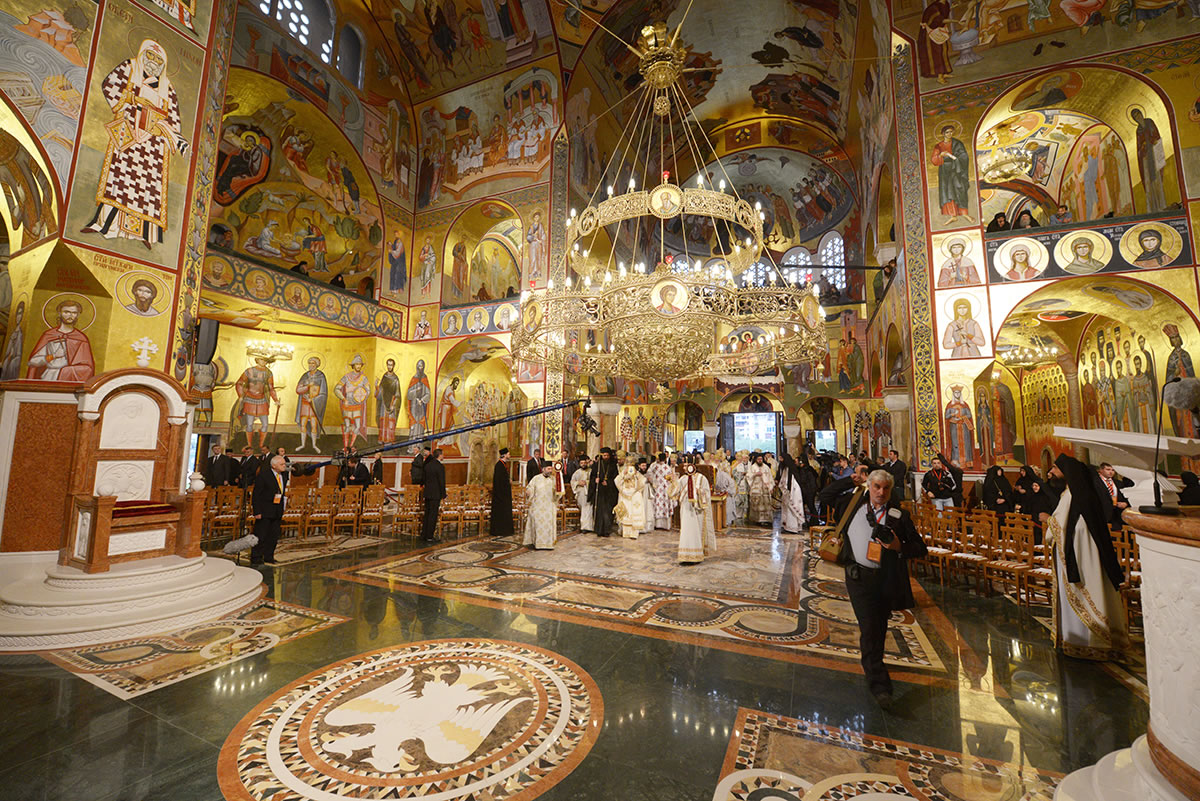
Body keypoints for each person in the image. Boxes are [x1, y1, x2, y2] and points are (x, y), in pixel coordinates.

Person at [834, 469, 927, 709]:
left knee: (878, 627)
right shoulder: (852, 506)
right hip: (858, 578)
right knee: (870, 627)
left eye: (886, 488)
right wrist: (849, 480)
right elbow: (825, 496)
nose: (881, 492)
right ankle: (880, 686)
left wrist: (898, 546)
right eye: (876, 486)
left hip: (884, 579)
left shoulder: (898, 516)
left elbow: (920, 548)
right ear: (869, 486)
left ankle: (874, 666)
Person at [1046, 454, 1129, 660]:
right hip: (1081, 552)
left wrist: (1047, 521)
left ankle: (1086, 640)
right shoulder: (1080, 492)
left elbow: (1060, 526)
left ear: (1066, 472)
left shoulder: (1072, 495)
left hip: (1080, 555)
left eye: (1055, 468)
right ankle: (1090, 638)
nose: (1051, 472)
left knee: (1084, 592)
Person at [672, 458, 717, 563]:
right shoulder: (683, 478)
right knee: (686, 531)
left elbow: (707, 494)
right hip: (685, 509)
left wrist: (698, 492)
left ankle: (697, 554)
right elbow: (674, 492)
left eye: (686, 465)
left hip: (697, 509)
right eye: (684, 466)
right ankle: (685, 554)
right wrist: (673, 482)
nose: (685, 468)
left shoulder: (701, 478)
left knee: (697, 531)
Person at [250, 454, 289, 566]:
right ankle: (256, 557)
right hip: (264, 510)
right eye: (282, 464)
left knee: (273, 535)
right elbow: (256, 494)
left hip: (277, 510)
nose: (284, 466)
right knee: (261, 535)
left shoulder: (283, 476)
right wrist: (257, 511)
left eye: (284, 464)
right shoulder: (263, 475)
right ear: (274, 466)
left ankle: (269, 556)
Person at [523, 463, 562, 549]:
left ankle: (548, 544)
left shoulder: (554, 479)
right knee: (537, 525)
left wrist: (558, 492)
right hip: (538, 506)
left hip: (549, 506)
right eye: (548, 469)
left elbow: (558, 493)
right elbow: (530, 487)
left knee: (548, 525)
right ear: (543, 469)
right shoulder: (536, 478)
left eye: (551, 469)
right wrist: (529, 492)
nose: (550, 471)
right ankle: (537, 543)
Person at [588, 447, 619, 537]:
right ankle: (599, 530)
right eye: (604, 455)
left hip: (609, 493)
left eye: (607, 455)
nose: (605, 457)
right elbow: (592, 477)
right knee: (599, 511)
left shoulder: (613, 466)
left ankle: (606, 530)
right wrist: (595, 480)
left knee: (607, 512)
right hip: (599, 492)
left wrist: (608, 483)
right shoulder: (597, 465)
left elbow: (616, 479)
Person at [614, 460, 649, 539]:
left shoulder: (637, 474)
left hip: (634, 496)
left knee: (634, 515)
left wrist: (636, 474)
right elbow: (616, 481)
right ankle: (626, 533)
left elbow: (643, 482)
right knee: (626, 515)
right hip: (625, 497)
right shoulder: (623, 473)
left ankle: (634, 533)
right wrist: (623, 474)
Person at [777, 453, 808, 534]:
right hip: (787, 492)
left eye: (781, 459)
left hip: (793, 491)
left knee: (791, 510)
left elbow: (792, 482)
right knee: (786, 509)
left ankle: (793, 528)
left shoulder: (791, 469)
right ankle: (786, 526)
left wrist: (789, 490)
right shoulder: (785, 468)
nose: (780, 460)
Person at [421, 448, 446, 543]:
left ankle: (424, 534)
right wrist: (443, 495)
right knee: (433, 515)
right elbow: (441, 482)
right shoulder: (440, 467)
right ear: (439, 455)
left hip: (427, 493)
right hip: (436, 494)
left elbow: (423, 479)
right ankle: (429, 536)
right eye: (442, 454)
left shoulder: (428, 465)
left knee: (427, 514)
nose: (443, 456)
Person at [647, 453, 676, 530]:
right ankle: (665, 525)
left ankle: (657, 524)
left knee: (657, 504)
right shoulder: (667, 468)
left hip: (657, 489)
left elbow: (649, 474)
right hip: (665, 489)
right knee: (664, 504)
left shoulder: (654, 466)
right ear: (665, 459)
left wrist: (653, 483)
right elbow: (671, 479)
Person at [1096, 462, 1131, 528]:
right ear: (1101, 470)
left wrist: (1125, 503)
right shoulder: (1094, 482)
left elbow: (1125, 496)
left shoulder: (1119, 483)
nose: (1111, 472)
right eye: (1108, 469)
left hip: (1118, 515)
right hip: (1102, 515)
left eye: (1113, 470)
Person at [491, 448, 513, 538]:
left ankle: (505, 530)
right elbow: (499, 481)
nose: (509, 455)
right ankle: (500, 530)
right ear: (504, 455)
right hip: (500, 495)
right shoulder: (499, 465)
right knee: (501, 513)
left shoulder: (503, 464)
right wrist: (508, 481)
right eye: (508, 454)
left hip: (504, 494)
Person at [746, 453, 774, 526]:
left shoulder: (766, 467)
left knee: (766, 504)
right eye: (758, 459)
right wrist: (755, 474)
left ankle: (767, 519)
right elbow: (748, 477)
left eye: (761, 459)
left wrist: (771, 487)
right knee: (756, 505)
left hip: (765, 489)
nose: (760, 460)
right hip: (756, 490)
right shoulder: (752, 467)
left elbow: (770, 477)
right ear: (756, 460)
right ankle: (757, 520)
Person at [571, 455, 594, 532]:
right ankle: (584, 526)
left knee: (589, 510)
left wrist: (586, 482)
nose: (583, 464)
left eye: (584, 463)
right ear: (579, 464)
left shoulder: (591, 471)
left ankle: (588, 527)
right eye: (581, 463)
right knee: (584, 510)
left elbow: (594, 481)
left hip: (590, 493)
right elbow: (572, 482)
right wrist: (578, 483)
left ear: (587, 463)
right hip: (581, 493)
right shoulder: (577, 472)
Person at [731, 451, 750, 524]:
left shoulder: (751, 465)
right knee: (739, 500)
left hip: (748, 484)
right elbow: (733, 473)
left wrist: (747, 474)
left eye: (746, 458)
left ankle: (746, 514)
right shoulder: (738, 466)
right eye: (743, 458)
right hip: (740, 483)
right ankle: (738, 513)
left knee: (747, 500)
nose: (744, 459)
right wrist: (741, 474)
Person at [637, 460, 654, 535]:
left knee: (648, 509)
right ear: (639, 466)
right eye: (642, 466)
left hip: (647, 493)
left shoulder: (648, 474)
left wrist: (650, 480)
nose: (644, 467)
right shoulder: (637, 474)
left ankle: (647, 527)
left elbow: (653, 483)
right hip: (640, 493)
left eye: (645, 466)